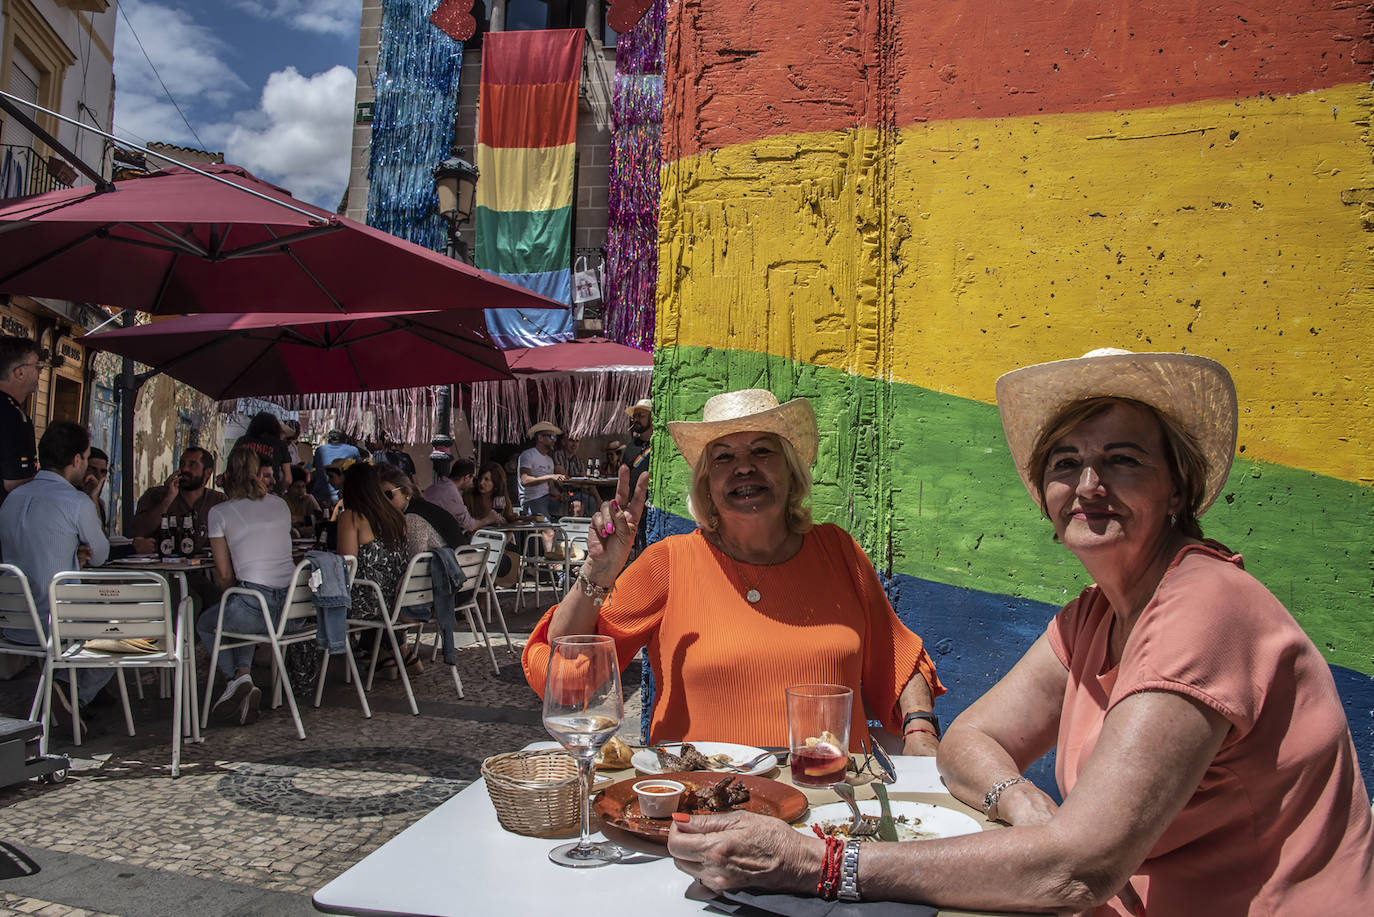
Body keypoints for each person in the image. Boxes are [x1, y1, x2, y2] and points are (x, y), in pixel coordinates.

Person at [667, 351, 1374, 916]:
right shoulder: (1095, 614)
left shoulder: (1205, 604)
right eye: (1065, 463)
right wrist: (1022, 799)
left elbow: (1075, 870)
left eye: (1121, 459)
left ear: (1178, 487)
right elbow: (971, 739)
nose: (1089, 481)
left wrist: (819, 865)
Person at [522, 388, 943, 752]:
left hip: (827, 802)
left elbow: (899, 658)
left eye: (762, 450)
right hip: (703, 809)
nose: (744, 466)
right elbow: (566, 676)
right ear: (706, 484)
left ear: (791, 474)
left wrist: (920, 732)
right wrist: (597, 572)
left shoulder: (837, 552)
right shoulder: (670, 562)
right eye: (723, 457)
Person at [0, 421, 112, 706]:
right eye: (86, 459)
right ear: (76, 460)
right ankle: (72, 693)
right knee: (121, 634)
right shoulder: (76, 502)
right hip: (57, 626)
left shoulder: (10, 500)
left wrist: (71, 555)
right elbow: (100, 556)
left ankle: (68, 694)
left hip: (13, 625)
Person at [195, 447, 295, 726]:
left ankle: (237, 680)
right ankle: (242, 675)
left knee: (209, 622)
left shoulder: (219, 512)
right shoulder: (280, 504)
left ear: (228, 476)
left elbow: (225, 575)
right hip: (291, 612)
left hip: (254, 606)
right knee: (240, 616)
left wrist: (231, 595)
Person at [336, 462, 421, 677]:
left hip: (369, 602)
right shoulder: (397, 517)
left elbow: (345, 564)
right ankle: (395, 654)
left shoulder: (351, 517)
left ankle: (385, 657)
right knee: (378, 592)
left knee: (327, 597)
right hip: (400, 598)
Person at [130, 447, 226, 543]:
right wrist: (168, 499)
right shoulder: (155, 495)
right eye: (182, 464)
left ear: (208, 472)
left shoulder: (219, 500)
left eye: (192, 465)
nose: (184, 469)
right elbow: (138, 532)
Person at [0, 336, 41, 510]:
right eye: (37, 367)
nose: (41, 373)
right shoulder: (12, 416)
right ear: (20, 372)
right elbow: (14, 482)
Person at [423, 457, 502, 535]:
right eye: (473, 478)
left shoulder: (440, 484)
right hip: (432, 537)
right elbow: (470, 526)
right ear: (466, 478)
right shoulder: (452, 493)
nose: (475, 482)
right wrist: (488, 519)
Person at [233, 412, 293, 492]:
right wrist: (278, 492)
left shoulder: (242, 441)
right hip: (269, 492)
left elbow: (232, 468)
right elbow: (288, 479)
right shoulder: (280, 445)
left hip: (244, 491)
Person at [517, 422, 566, 518]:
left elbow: (551, 488)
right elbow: (525, 480)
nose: (554, 440)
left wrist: (561, 495)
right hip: (532, 499)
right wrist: (550, 476)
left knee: (576, 505)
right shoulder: (528, 455)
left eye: (555, 438)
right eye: (552, 437)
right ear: (540, 438)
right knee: (548, 530)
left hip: (548, 498)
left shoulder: (549, 460)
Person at [311, 429, 362, 508]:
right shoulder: (353, 450)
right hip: (340, 495)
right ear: (344, 440)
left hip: (320, 494)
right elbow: (359, 470)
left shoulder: (319, 450)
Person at [464, 461, 516, 525]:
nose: (481, 483)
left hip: (496, 533)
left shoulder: (501, 498)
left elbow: (509, 518)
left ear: (496, 482)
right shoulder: (469, 496)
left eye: (486, 479)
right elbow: (465, 520)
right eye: (480, 478)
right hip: (476, 533)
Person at [552, 432, 592, 517]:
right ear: (563, 442)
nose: (574, 444)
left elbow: (587, 481)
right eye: (571, 440)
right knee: (580, 505)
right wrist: (579, 481)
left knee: (593, 500)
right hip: (561, 492)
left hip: (576, 493)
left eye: (577, 441)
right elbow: (564, 479)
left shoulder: (578, 461)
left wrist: (599, 499)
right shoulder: (558, 455)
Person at [82, 446, 110, 531]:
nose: (98, 477)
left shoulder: (100, 504)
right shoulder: (74, 503)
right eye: (91, 470)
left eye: (103, 472)